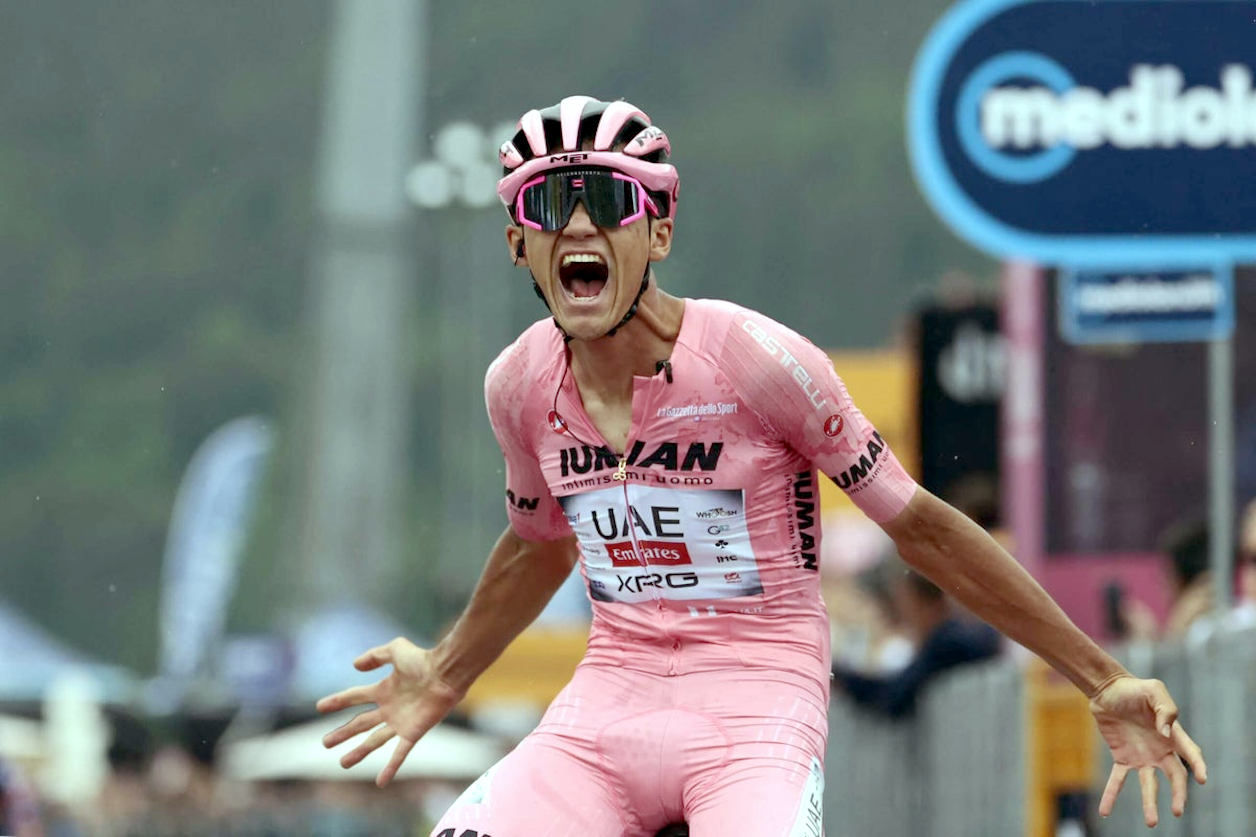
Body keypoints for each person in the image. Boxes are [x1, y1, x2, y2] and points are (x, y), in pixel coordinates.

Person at [317, 96, 1207, 834]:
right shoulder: (517, 383)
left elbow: (922, 529)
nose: (579, 223)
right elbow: (538, 540)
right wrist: (448, 669)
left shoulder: (757, 359)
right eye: (548, 205)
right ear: (520, 244)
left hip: (754, 710)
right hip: (605, 710)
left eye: (609, 200)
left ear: (658, 232)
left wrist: (1102, 675)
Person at [831, 559, 1001, 719]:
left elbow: (895, 695)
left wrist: (843, 678)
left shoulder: (947, 643)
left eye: (905, 605)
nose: (904, 615)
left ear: (919, 601)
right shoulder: (954, 637)